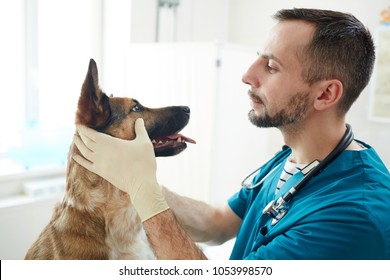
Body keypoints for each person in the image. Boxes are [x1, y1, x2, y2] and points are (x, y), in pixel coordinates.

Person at [73, 8, 390, 259]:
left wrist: (143, 190)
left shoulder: (352, 218)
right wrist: (132, 179)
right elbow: (218, 224)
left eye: (271, 66)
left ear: (325, 95)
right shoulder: (294, 159)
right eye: (258, 57)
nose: (247, 74)